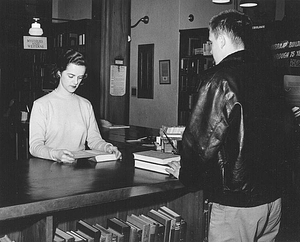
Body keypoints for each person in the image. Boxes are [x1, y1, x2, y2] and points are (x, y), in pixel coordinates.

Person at [167, 9, 295, 241]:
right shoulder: (269, 76)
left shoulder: (219, 78)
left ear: (222, 40)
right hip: (273, 201)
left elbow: (200, 142)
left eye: (211, 42)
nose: (210, 49)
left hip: (237, 205)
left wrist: (186, 174)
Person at [29, 49, 121, 163]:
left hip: (79, 169)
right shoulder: (41, 105)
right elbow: (35, 147)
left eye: (80, 77)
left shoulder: (85, 105)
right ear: (59, 73)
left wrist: (107, 147)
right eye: (71, 76)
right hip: (50, 167)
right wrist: (56, 154)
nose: (75, 82)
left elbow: (94, 139)